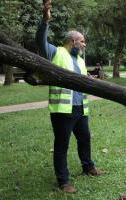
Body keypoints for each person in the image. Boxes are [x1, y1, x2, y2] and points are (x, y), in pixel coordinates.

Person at [35, 0, 102, 193]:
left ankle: (88, 167)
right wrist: (44, 21)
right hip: (62, 111)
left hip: (81, 108)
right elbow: (40, 41)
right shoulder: (56, 52)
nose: (83, 44)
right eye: (81, 41)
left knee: (85, 139)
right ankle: (63, 182)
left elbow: (81, 81)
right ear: (72, 41)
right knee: (62, 145)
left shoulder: (79, 59)